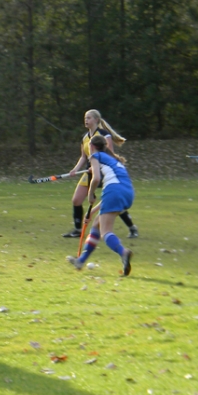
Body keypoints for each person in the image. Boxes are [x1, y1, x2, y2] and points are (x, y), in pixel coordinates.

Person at [63, 109, 138, 239]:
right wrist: (75, 169)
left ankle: (132, 227)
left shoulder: (104, 134)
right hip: (89, 171)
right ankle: (78, 229)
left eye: (89, 118)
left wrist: (96, 166)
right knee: (76, 200)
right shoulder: (85, 138)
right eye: (85, 118)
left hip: (104, 171)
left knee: (113, 201)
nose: (86, 120)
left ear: (96, 120)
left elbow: (108, 153)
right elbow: (83, 157)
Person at [66, 134, 134, 276]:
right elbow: (112, 194)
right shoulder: (112, 160)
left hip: (114, 192)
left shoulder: (95, 156)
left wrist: (90, 195)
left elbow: (96, 178)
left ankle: (124, 252)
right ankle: (81, 261)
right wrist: (92, 212)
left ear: (91, 146)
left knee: (105, 232)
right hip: (127, 193)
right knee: (96, 223)